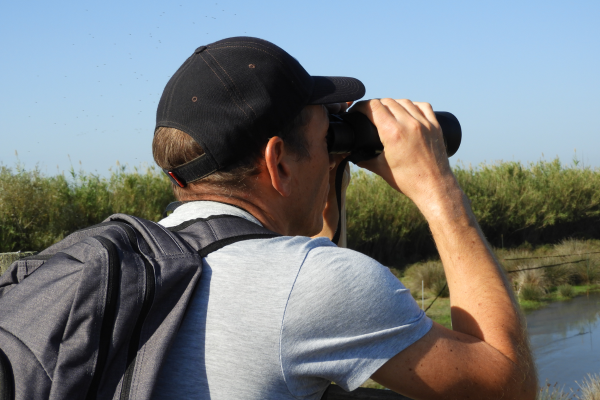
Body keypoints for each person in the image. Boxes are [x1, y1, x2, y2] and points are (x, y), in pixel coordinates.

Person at [150, 36, 537, 400]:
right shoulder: (311, 285)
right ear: (278, 162)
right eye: (326, 138)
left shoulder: (148, 261)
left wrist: (327, 173)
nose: (332, 151)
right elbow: (508, 385)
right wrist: (438, 188)